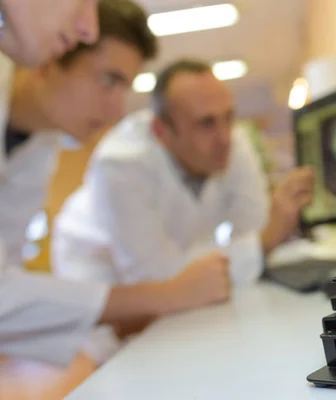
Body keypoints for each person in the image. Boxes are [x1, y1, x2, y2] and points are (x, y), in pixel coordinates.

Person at [0, 0, 230, 367]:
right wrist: (167, 295)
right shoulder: (116, 162)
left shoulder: (38, 145)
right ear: (51, 55)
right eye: (109, 81)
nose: (116, 111)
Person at [52, 59, 315, 361]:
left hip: (175, 254)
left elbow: (251, 235)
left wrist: (257, 243)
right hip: (98, 262)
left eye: (228, 117)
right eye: (205, 123)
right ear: (161, 131)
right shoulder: (120, 164)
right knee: (122, 360)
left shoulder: (231, 140)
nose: (224, 137)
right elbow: (156, 280)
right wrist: (262, 242)